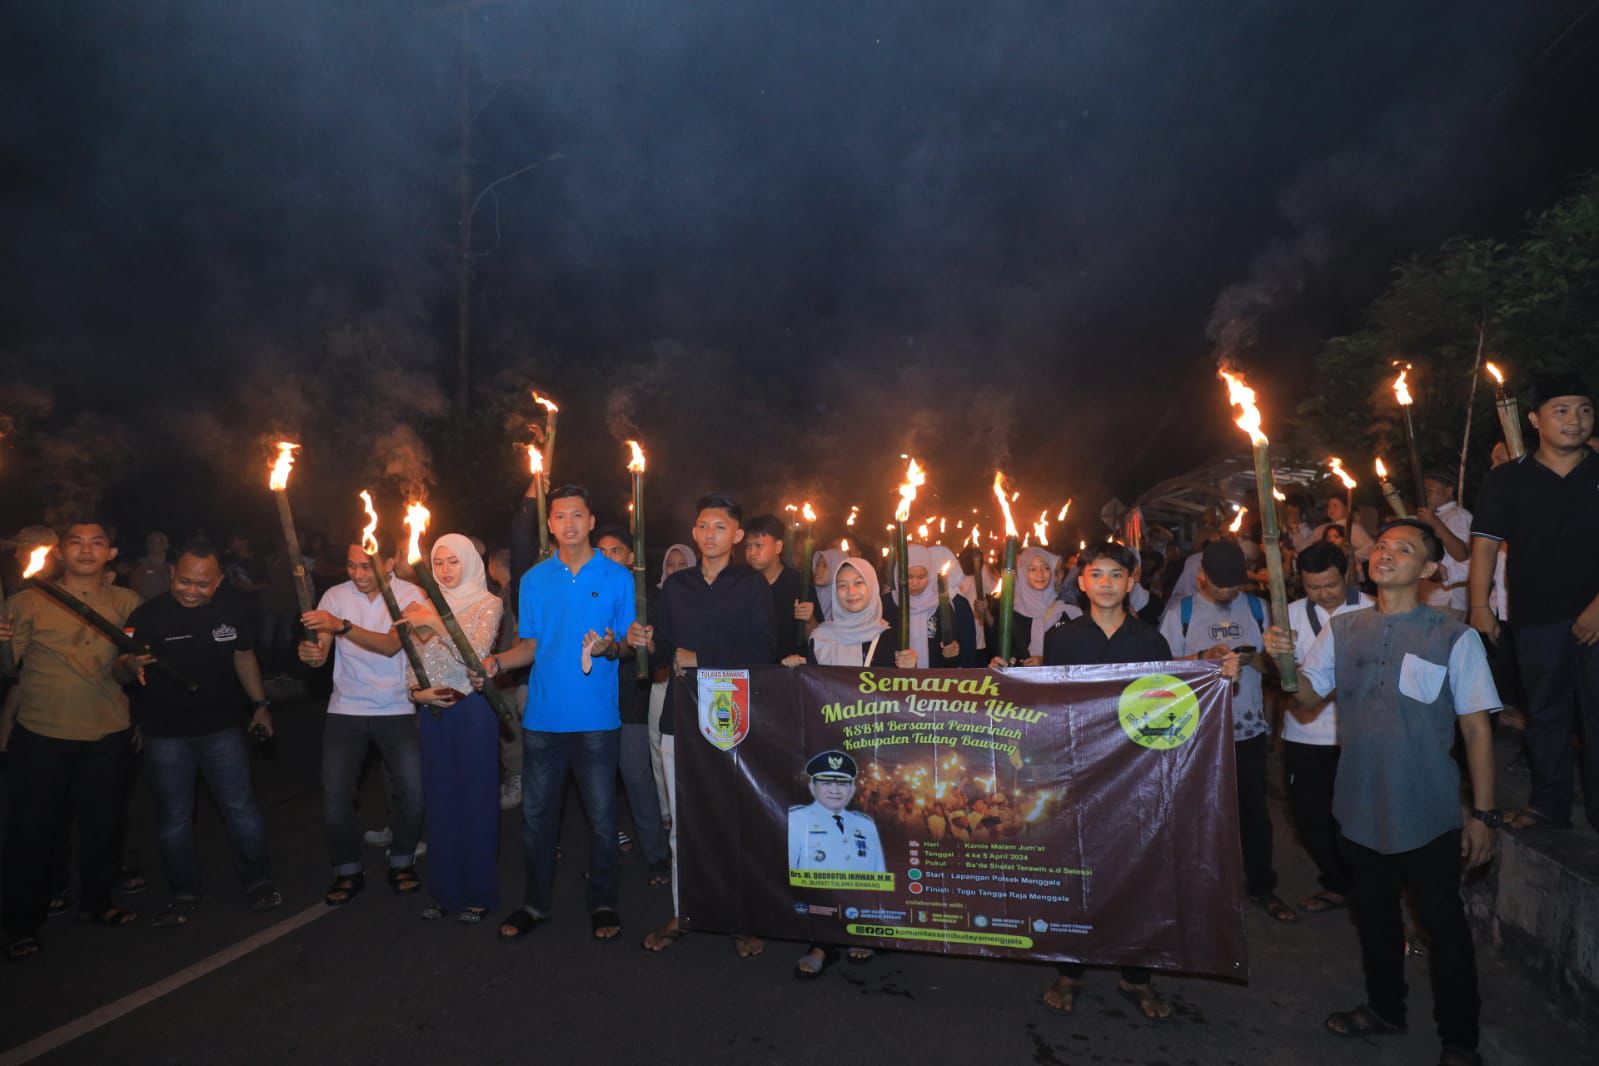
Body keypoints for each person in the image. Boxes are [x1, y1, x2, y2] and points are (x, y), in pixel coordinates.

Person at [1266, 519, 1500, 1066]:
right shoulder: (1343, 630)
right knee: (1374, 919)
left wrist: (1485, 814)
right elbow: (1305, 699)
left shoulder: (1453, 636)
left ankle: (1459, 1038)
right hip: (1358, 807)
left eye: (1404, 547)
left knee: (1444, 927)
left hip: (1428, 812)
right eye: (1383, 545)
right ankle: (1385, 1009)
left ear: (1430, 569)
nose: (1386, 553)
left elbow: (1476, 730)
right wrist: (1278, 658)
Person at [1039, 542, 1239, 1020]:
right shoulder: (1062, 639)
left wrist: (1217, 674)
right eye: (1097, 574)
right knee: (1078, 870)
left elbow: (1170, 700)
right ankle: (1071, 971)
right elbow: (1044, 705)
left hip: (1135, 778)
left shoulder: (1150, 641)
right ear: (1082, 581)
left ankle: (1138, 974)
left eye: (1116, 575)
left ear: (1132, 584)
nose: (1106, 583)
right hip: (1077, 774)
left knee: (1138, 872)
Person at [626, 493, 775, 957]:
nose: (709, 534)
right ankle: (684, 908)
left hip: (733, 714)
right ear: (693, 533)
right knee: (683, 823)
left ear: (737, 535)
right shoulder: (677, 587)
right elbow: (666, 642)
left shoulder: (752, 587)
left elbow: (764, 650)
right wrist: (643, 639)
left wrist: (704, 659)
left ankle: (739, 916)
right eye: (701, 526)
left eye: (718, 527)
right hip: (681, 714)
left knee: (732, 819)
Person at [484, 485, 635, 942]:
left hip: (596, 721)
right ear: (549, 524)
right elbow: (529, 646)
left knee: (603, 818)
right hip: (543, 722)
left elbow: (628, 644)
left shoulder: (617, 578)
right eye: (559, 516)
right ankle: (535, 902)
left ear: (591, 521)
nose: (568, 524)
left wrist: (612, 646)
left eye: (577, 516)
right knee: (535, 820)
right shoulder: (533, 581)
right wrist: (496, 662)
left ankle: (603, 901)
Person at [1, 521, 144, 960]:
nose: (86, 550)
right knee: (33, 830)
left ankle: (97, 903)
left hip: (107, 731)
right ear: (58, 552)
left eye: (97, 542)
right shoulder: (26, 601)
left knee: (104, 824)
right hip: (43, 733)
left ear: (112, 553)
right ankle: (21, 921)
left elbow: (128, 669)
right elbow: (10, 669)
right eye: (76, 542)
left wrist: (134, 664)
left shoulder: (127, 602)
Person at [121, 541, 281, 926]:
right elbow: (120, 671)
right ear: (173, 574)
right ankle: (183, 893)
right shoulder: (148, 616)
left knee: (241, 810)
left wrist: (261, 705)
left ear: (219, 581)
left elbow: (243, 656)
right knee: (175, 818)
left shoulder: (232, 611)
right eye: (185, 581)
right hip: (165, 734)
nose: (192, 590)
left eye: (202, 584)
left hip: (222, 728)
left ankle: (258, 882)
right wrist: (129, 664)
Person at [1468, 373, 1598, 832]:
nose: (1574, 420)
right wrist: (1480, 606)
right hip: (1536, 616)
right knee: (1545, 713)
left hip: (1597, 615)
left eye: (1584, 410)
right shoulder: (1508, 479)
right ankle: (1549, 805)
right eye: (1561, 410)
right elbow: (1484, 544)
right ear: (1534, 419)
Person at [1159, 540, 1295, 923]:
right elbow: (1161, 670)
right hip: (1196, 732)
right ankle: (1200, 889)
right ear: (1202, 576)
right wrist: (1203, 659)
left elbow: (1276, 669)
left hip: (1246, 725)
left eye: (1234, 585)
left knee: (1253, 812)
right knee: (1199, 812)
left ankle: (1262, 886)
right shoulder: (1180, 613)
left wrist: (1256, 658)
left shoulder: (1257, 607)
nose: (1227, 592)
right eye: (1220, 585)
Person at [297, 538, 427, 906]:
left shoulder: (410, 593)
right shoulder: (335, 596)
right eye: (351, 565)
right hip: (346, 708)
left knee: (413, 792)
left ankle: (401, 859)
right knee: (336, 797)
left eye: (366, 566)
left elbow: (390, 645)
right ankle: (347, 868)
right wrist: (312, 653)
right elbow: (320, 651)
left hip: (397, 707)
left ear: (388, 563)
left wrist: (340, 626)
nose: (357, 574)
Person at [400, 533, 503, 924]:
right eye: (438, 562)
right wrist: (416, 692)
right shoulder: (420, 606)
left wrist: (436, 622)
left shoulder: (487, 603)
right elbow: (412, 661)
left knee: (476, 802)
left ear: (469, 563)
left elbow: (476, 656)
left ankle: (479, 893)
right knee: (441, 802)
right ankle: (443, 892)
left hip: (472, 711)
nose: (444, 570)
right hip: (433, 713)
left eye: (452, 561)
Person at [1280, 542, 1370, 916]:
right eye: (1313, 587)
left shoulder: (1372, 610)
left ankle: (1363, 887)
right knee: (1310, 816)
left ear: (1347, 573)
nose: (1323, 594)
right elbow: (1285, 682)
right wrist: (1276, 659)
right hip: (1305, 733)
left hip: (1357, 736)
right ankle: (1336, 882)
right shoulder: (1289, 616)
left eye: (1330, 585)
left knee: (1356, 817)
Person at [595, 526, 671, 888]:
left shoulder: (646, 597)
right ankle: (604, 855)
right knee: (596, 785)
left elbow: (655, 646)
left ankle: (658, 856)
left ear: (630, 557)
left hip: (630, 701)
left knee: (637, 780)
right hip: (592, 701)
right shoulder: (589, 590)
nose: (607, 556)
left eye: (615, 550)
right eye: (601, 550)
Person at [783, 556, 910, 670]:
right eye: (842, 585)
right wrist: (798, 665)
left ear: (872, 586)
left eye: (859, 582)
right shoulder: (822, 638)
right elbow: (816, 684)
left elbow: (900, 690)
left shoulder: (891, 638)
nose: (851, 591)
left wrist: (911, 668)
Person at [884, 545, 977, 667]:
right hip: (893, 681)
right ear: (899, 573)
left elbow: (951, 659)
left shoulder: (942, 605)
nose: (915, 583)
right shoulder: (887, 605)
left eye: (921, 577)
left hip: (931, 682)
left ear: (931, 574)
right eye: (909, 576)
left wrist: (951, 653)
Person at [991, 546, 1081, 666]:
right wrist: (997, 664)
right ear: (1022, 574)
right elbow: (999, 655)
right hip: (1020, 683)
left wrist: (1044, 661)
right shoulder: (1009, 614)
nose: (1040, 574)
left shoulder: (1068, 613)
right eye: (1032, 569)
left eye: (1046, 568)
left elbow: (1078, 656)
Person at [744, 513, 808, 661]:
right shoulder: (741, 583)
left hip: (786, 671)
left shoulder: (798, 584)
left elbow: (814, 637)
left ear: (778, 546)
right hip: (751, 669)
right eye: (747, 546)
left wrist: (809, 619)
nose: (752, 552)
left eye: (758, 545)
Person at [1416, 467, 1472, 620]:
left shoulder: (1457, 516)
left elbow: (1461, 554)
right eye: (1424, 491)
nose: (1425, 496)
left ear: (1448, 490)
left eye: (1430, 491)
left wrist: (1434, 522)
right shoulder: (1433, 516)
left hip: (1448, 601)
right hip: (1429, 597)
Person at [126, 531, 173, 602]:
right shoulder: (140, 565)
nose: (156, 546)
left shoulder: (173, 567)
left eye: (160, 543)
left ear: (167, 545)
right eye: (152, 543)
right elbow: (133, 591)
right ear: (147, 545)